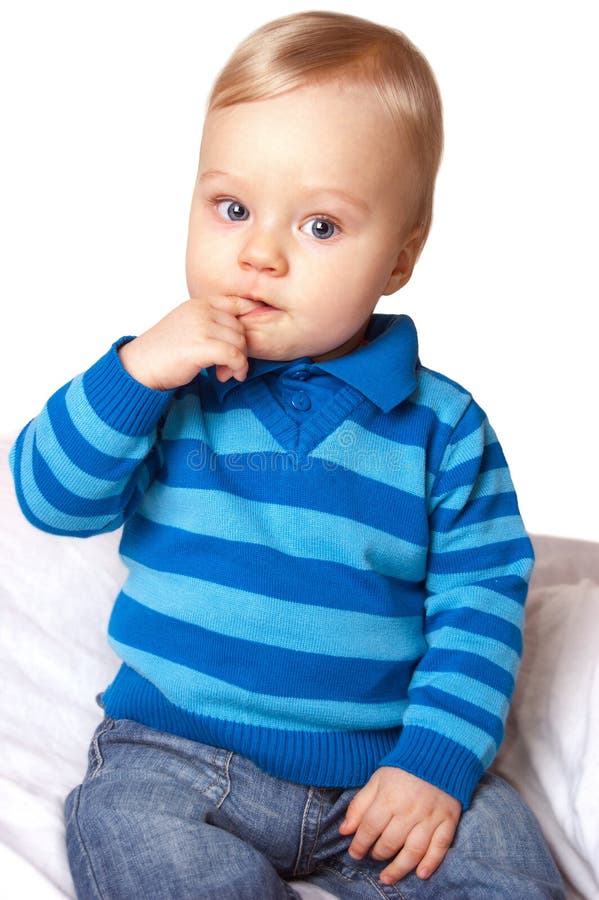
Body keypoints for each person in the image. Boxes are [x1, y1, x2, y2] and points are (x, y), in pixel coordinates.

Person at [9, 10, 564, 899]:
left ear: (398, 259)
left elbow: (481, 604)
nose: (259, 253)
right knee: (137, 841)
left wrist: (433, 765)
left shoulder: (442, 427)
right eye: (232, 209)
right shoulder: (164, 383)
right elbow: (49, 497)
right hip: (177, 755)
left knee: (496, 864)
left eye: (319, 228)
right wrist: (134, 371)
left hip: (380, 772)